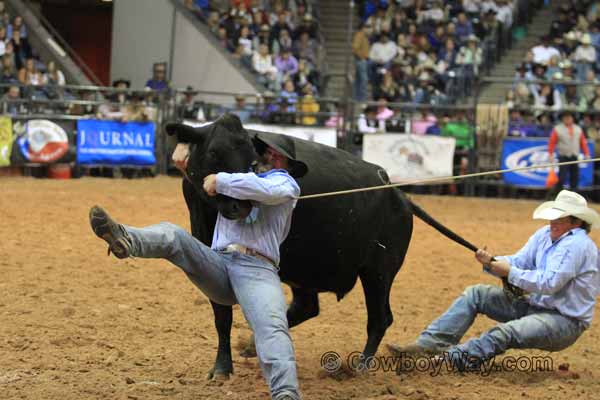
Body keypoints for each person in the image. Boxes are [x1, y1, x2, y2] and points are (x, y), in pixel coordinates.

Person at [89, 131, 307, 400]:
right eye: (269, 152)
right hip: (219, 262)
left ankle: (286, 394)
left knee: (272, 328)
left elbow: (266, 189)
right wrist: (188, 167)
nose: (272, 157)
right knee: (174, 235)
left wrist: (220, 180)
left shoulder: (285, 184)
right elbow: (207, 190)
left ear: (288, 167)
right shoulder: (237, 182)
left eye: (279, 156)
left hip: (257, 269)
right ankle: (125, 239)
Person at [388, 190, 600, 371]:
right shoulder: (545, 234)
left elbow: (550, 283)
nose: (553, 221)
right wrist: (493, 261)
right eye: (554, 216)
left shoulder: (578, 245)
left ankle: (448, 362)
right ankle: (429, 346)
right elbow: (519, 261)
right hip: (535, 307)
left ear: (576, 221)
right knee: (476, 295)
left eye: (560, 217)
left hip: (564, 322)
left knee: (505, 333)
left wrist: (508, 272)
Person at [548, 110, 590, 190]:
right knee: (562, 177)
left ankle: (573, 195)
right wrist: (550, 154)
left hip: (574, 156)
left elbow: (583, 143)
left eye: (569, 117)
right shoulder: (557, 129)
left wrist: (586, 154)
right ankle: (557, 194)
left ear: (572, 118)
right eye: (565, 117)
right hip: (563, 156)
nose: (567, 119)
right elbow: (552, 142)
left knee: (575, 177)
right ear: (562, 119)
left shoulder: (578, 129)